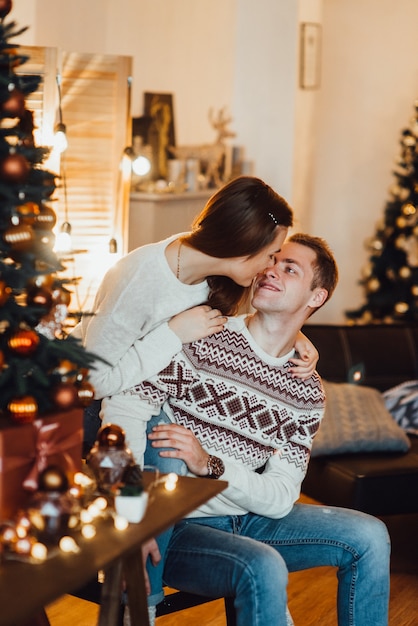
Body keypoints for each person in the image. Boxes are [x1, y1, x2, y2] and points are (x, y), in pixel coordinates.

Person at [114, 233, 390, 626]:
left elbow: (280, 497)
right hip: (182, 528)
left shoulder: (307, 389)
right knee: (263, 565)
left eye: (289, 269)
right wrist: (131, 513)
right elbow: (127, 403)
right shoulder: (204, 335)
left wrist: (211, 463)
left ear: (316, 297)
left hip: (253, 518)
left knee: (370, 536)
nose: (271, 270)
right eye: (272, 261)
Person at [77, 176, 318, 449]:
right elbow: (94, 382)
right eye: (270, 255)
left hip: (144, 393)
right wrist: (173, 333)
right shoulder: (139, 280)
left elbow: (247, 323)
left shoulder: (211, 269)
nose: (268, 267)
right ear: (244, 245)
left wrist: (296, 336)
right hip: (83, 401)